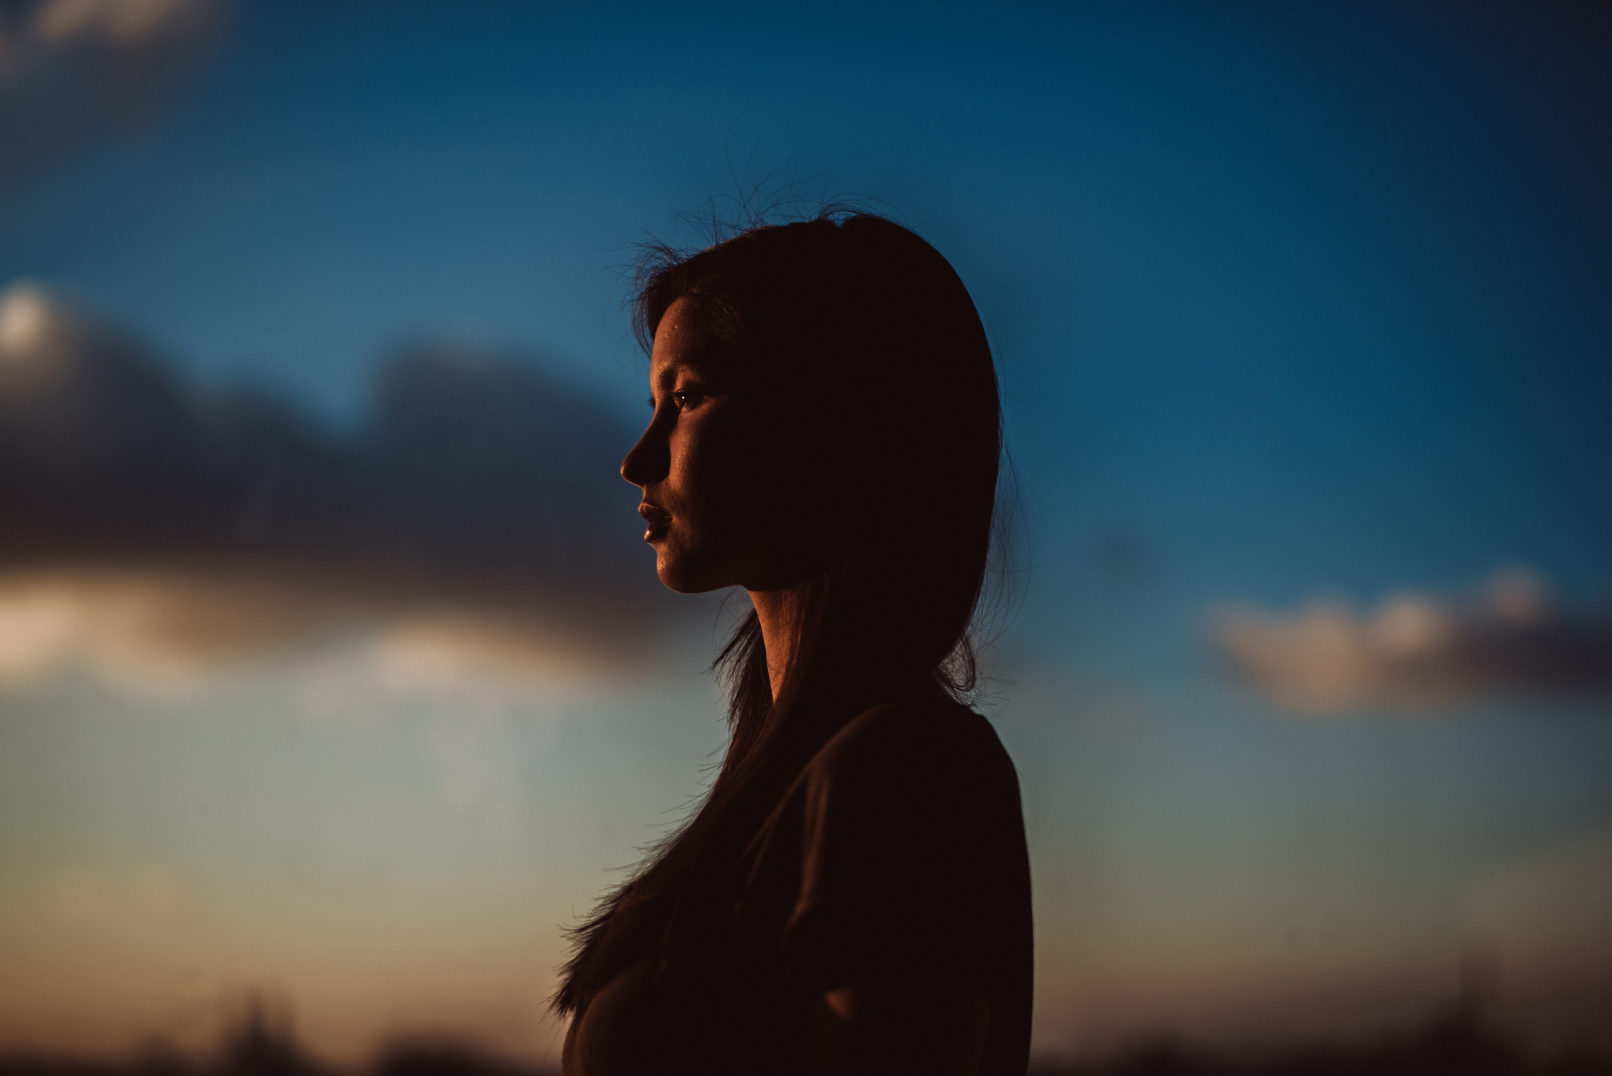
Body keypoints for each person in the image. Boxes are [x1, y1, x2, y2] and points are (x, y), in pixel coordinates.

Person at [554, 211, 1033, 1075]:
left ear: (823, 421)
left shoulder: (901, 767)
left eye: (686, 397)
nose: (636, 457)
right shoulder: (829, 776)